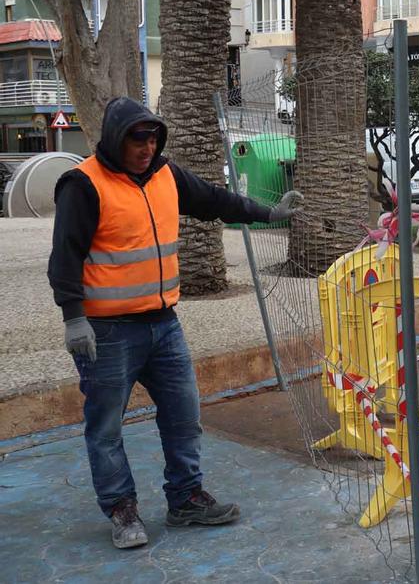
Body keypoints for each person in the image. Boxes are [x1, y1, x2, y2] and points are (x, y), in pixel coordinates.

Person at [47, 96, 303, 549]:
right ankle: (122, 510)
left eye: (152, 137)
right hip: (107, 333)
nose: (146, 147)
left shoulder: (166, 174)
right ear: (114, 138)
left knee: (184, 416)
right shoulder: (83, 185)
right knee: (105, 427)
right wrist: (73, 319)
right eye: (136, 138)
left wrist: (268, 213)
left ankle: (186, 499)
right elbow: (64, 256)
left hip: (163, 325)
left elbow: (214, 200)